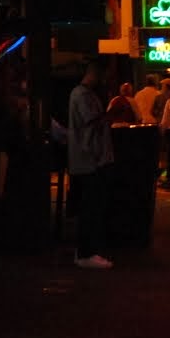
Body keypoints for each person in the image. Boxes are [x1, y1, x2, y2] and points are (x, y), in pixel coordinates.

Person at [68, 58, 114, 269]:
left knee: (91, 206)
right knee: (91, 207)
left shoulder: (84, 95)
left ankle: (87, 251)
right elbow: (91, 122)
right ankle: (87, 252)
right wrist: (108, 116)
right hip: (89, 161)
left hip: (89, 160)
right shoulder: (83, 96)